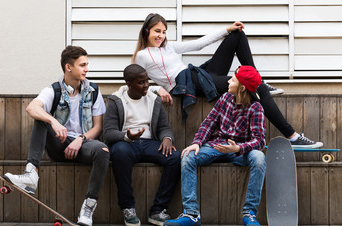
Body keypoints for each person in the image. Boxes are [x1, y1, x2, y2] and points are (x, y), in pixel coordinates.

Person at [132, 13, 322, 148]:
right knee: (258, 90)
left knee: (236, 35)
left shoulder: (169, 47)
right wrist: (157, 89)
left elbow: (199, 44)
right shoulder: (141, 56)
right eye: (157, 31)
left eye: (164, 32)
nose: (161, 36)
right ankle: (293, 136)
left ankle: (257, 80)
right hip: (189, 83)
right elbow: (132, 82)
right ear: (147, 30)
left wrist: (227, 29)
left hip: (201, 74)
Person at [4, 46, 109, 226]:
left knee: (103, 150)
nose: (87, 69)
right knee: (41, 119)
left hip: (83, 146)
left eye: (87, 65)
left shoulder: (93, 90)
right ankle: (31, 175)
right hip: (59, 145)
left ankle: (88, 207)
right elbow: (32, 108)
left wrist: (80, 139)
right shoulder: (54, 90)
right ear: (69, 67)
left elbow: (98, 127)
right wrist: (53, 121)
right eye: (82, 65)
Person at [164, 66, 266, 226]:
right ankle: (191, 214)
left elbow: (260, 140)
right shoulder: (225, 98)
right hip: (217, 145)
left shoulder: (256, 108)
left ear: (242, 87)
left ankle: (250, 214)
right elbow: (209, 123)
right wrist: (197, 142)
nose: (228, 81)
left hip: (241, 151)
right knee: (188, 156)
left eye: (233, 79)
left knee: (259, 158)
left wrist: (238, 148)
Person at [103, 64, 181, 226]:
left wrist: (167, 138)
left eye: (147, 81)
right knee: (119, 153)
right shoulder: (116, 101)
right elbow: (108, 133)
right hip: (126, 143)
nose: (146, 85)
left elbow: (163, 127)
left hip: (149, 143)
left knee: (175, 157)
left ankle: (157, 211)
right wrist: (126, 136)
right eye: (141, 82)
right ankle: (128, 208)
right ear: (129, 84)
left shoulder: (154, 100)